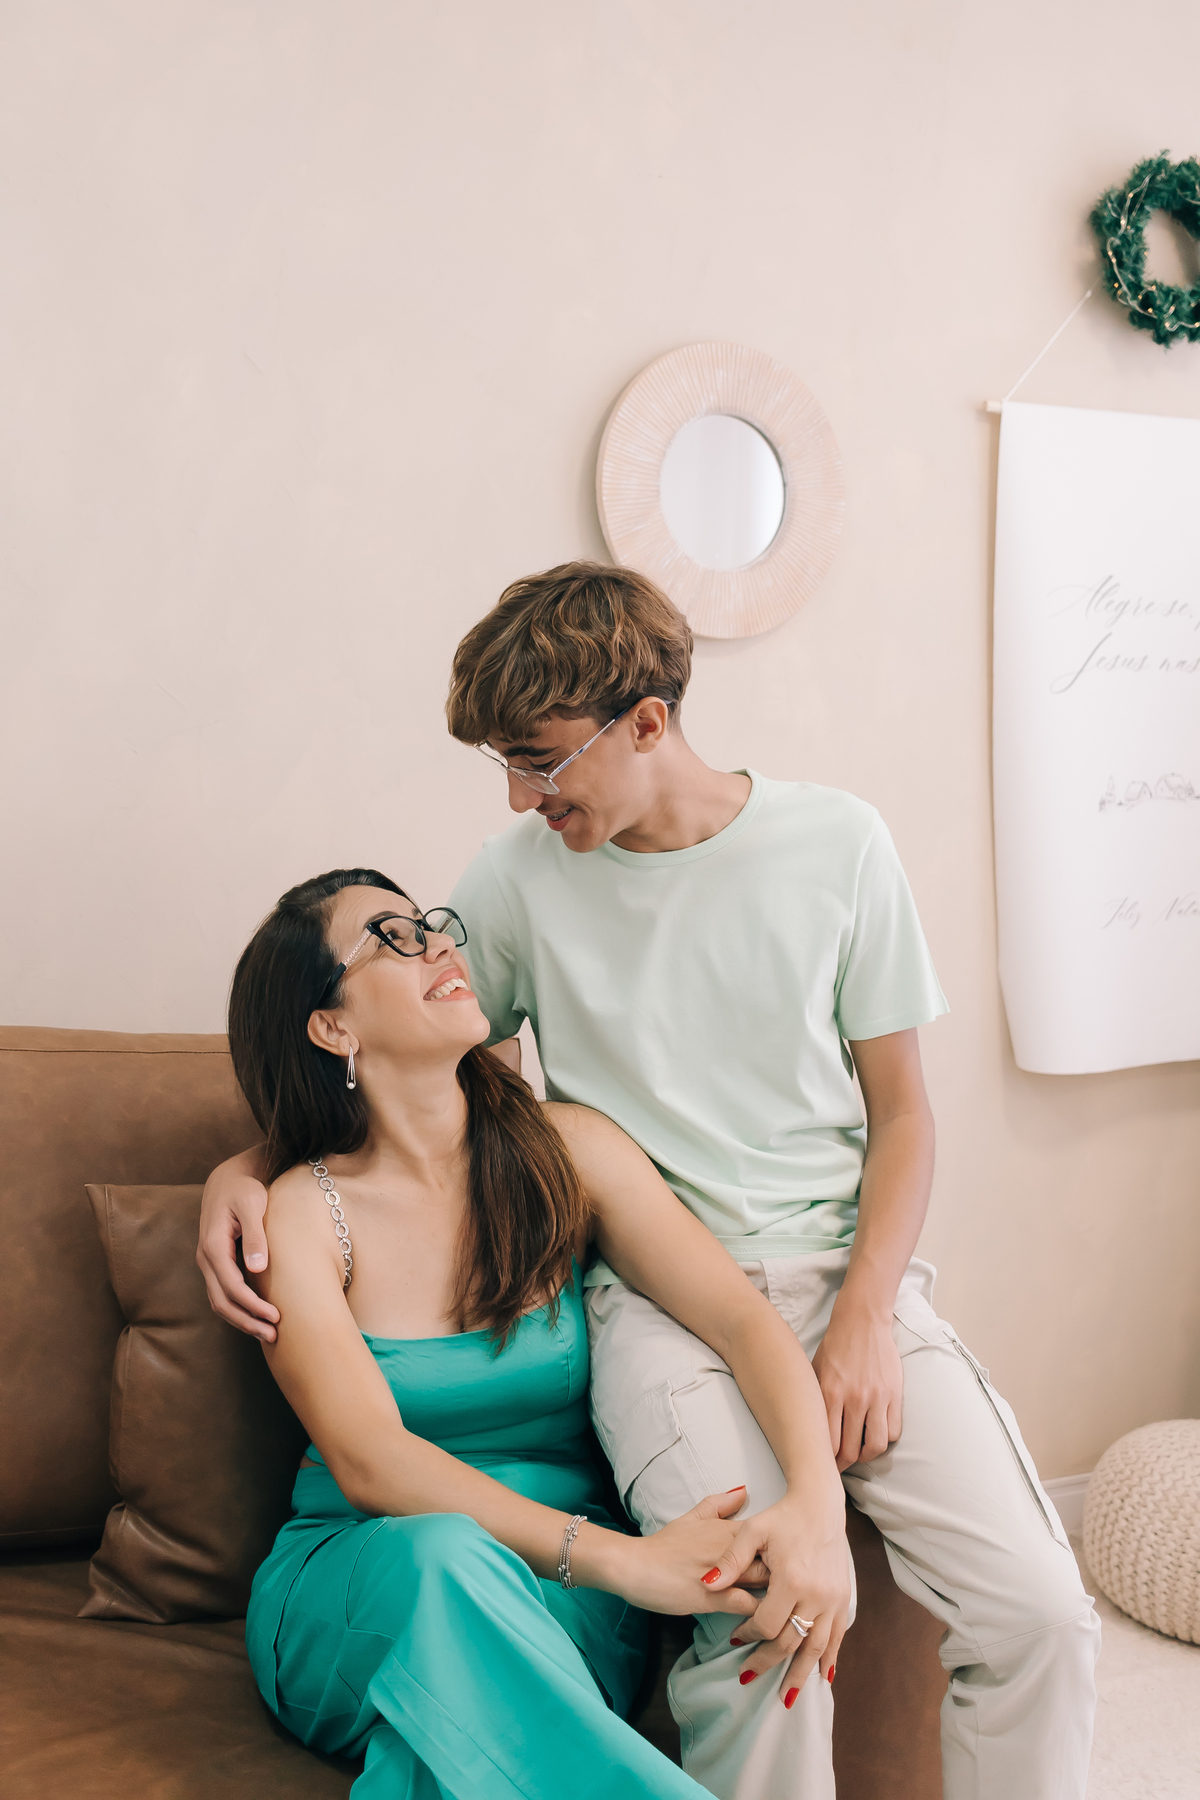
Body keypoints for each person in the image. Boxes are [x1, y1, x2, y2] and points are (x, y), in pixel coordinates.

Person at [202, 565, 1100, 1800]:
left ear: (645, 722)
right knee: (752, 1611)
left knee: (1046, 1614)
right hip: (649, 1306)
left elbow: (905, 1114)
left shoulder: (838, 844)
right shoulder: (516, 879)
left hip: (842, 1277)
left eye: (540, 761)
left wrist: (863, 1320)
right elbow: (373, 1063)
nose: (521, 798)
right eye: (506, 767)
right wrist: (246, 1168)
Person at [226, 866, 852, 1800]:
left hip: (565, 1603)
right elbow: (370, 1463)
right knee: (444, 1555)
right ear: (332, 1027)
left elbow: (741, 1321)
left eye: (431, 924)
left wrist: (816, 1504)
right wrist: (628, 1561)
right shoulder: (302, 1214)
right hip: (367, 1586)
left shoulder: (568, 1152)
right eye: (393, 938)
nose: (440, 943)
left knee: (438, 1762)